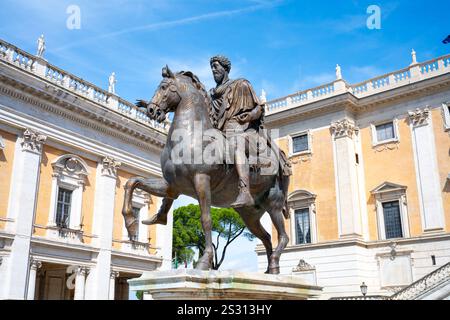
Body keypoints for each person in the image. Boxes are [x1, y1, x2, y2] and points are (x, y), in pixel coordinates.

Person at [209, 55, 265, 208]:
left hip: (243, 131)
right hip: (220, 132)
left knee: (235, 142)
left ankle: (244, 190)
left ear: (225, 68)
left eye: (216, 66)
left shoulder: (241, 84)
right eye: (212, 67)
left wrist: (250, 116)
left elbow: (259, 108)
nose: (213, 70)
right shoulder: (212, 94)